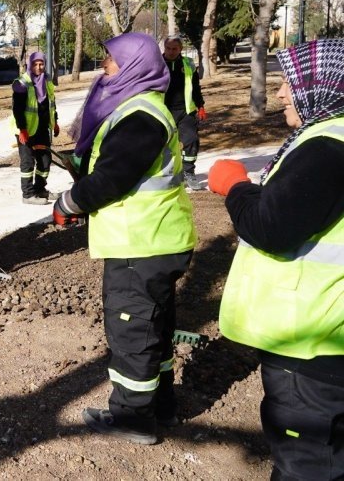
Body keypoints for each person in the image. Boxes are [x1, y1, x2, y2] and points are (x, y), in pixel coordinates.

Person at [207, 38, 344, 480]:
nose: (282, 92)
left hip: (313, 344)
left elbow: (270, 226)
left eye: (290, 82)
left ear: (320, 87)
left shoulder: (327, 148)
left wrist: (235, 185)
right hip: (324, 337)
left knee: (309, 466)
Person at [53, 33, 197, 445]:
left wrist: (68, 202)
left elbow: (113, 178)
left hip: (142, 241)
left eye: (111, 61)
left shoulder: (140, 114)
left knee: (133, 330)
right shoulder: (139, 108)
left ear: (133, 65)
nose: (104, 66)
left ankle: (133, 417)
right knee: (156, 326)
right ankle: (162, 405)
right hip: (156, 237)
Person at [12, 51, 59, 204]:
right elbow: (17, 109)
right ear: (30, 65)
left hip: (42, 128)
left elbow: (51, 104)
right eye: (35, 64)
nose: (38, 67)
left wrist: (55, 122)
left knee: (45, 160)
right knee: (27, 162)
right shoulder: (21, 83)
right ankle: (27, 195)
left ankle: (40, 189)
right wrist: (22, 129)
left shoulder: (47, 81)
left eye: (41, 64)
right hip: (25, 130)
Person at [162, 37, 206, 189]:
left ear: (180, 49)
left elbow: (195, 86)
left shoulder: (188, 63)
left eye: (174, 49)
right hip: (162, 111)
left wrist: (200, 105)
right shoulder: (157, 64)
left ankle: (189, 173)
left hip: (185, 110)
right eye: (168, 48)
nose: (171, 51)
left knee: (191, 140)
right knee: (163, 144)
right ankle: (167, 174)